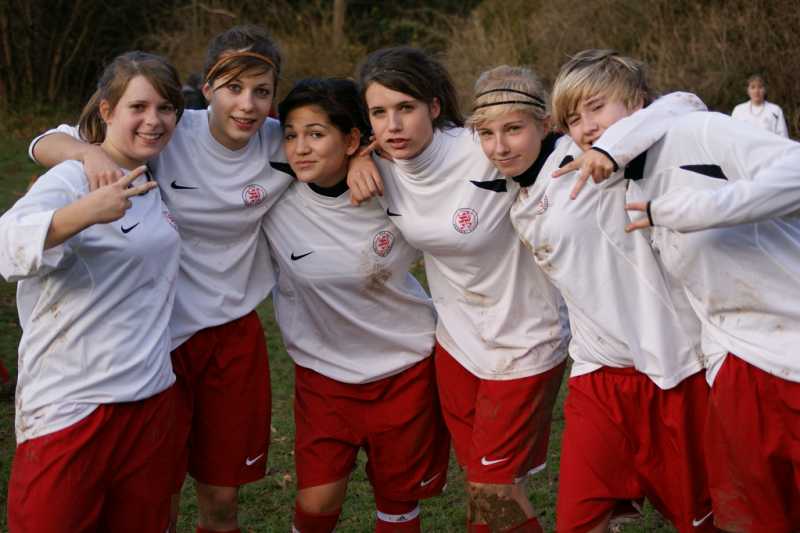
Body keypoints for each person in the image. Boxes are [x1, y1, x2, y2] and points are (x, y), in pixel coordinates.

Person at [29, 26, 379, 533]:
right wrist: (88, 153)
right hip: (160, 340)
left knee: (221, 503)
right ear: (207, 88)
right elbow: (45, 142)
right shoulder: (168, 132)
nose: (247, 105)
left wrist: (361, 158)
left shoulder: (281, 143)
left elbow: (343, 139)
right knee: (159, 497)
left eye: (261, 91)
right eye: (233, 88)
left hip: (232, 336)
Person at [477, 57, 716, 533]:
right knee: (578, 520)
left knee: (701, 520)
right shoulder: (516, 191)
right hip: (596, 374)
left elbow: (684, 104)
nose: (500, 146)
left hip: (671, 367)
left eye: (514, 128)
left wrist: (610, 148)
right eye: (487, 132)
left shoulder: (594, 152)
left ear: (544, 124)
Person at [1, 50, 183, 532]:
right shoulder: (71, 179)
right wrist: (85, 211)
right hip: (73, 404)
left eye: (166, 108)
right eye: (138, 107)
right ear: (106, 110)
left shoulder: (153, 170)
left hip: (149, 398)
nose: (154, 120)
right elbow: (6, 247)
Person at [615, 60, 800, 533]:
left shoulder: (699, 130)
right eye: (574, 119)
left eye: (596, 108)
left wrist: (698, 209)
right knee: (758, 521)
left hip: (792, 347)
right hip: (739, 365)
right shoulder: (629, 185)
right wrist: (718, 362)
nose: (587, 128)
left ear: (636, 105)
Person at [264, 77, 449, 533]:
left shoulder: (398, 185)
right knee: (317, 504)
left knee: (398, 502)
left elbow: (443, 147)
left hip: (405, 371)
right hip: (323, 376)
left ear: (350, 140)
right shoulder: (273, 198)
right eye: (291, 134)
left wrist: (372, 156)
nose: (300, 147)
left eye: (316, 134)